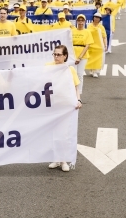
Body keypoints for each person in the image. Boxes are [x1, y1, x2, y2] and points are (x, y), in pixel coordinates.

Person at [47, 44, 82, 172]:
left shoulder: (70, 69)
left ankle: (63, 160)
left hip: (65, 105)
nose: (56, 57)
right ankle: (57, 159)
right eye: (54, 54)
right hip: (52, 105)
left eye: (59, 54)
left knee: (64, 133)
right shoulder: (48, 67)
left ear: (65, 56)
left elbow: (76, 87)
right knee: (54, 133)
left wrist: (78, 100)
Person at [71, 14, 93, 95]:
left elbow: (87, 45)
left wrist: (80, 57)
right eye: (79, 20)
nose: (80, 22)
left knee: (79, 74)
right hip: (72, 55)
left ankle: (78, 92)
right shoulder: (72, 31)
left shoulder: (87, 32)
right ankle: (72, 91)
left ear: (84, 22)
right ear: (77, 21)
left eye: (82, 20)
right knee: (72, 74)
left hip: (82, 56)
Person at [86, 12, 107, 78]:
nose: (96, 19)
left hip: (99, 46)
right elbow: (87, 35)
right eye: (95, 17)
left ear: (100, 19)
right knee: (91, 59)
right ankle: (92, 70)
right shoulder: (89, 25)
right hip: (91, 45)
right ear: (93, 18)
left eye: (98, 18)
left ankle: (95, 71)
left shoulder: (101, 27)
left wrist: (105, 45)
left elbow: (104, 37)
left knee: (97, 59)